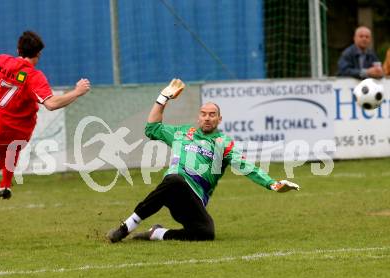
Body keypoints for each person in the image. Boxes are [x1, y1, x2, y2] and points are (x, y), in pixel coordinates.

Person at [106, 79, 300, 243]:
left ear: (219, 119)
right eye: (203, 114)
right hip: (173, 186)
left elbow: (247, 167)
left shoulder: (224, 144)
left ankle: (156, 233)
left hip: (193, 201)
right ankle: (127, 226)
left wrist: (273, 184)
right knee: (175, 179)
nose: (207, 118)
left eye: (212, 115)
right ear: (198, 117)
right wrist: (162, 98)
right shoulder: (182, 133)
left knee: (206, 233)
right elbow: (152, 128)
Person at [0, 30, 91, 245]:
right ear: (38, 54)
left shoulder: (1, 61)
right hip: (20, 133)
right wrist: (77, 91)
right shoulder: (34, 76)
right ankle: (5, 184)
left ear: (18, 50)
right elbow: (51, 104)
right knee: (13, 147)